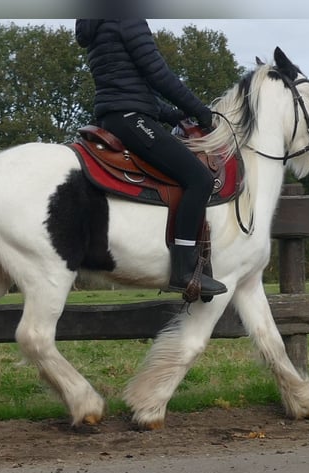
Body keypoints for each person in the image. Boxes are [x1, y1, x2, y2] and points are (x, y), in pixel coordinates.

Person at [75, 19, 227, 300]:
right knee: (199, 179)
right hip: (133, 118)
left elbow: (131, 85)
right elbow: (159, 75)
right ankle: (183, 269)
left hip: (118, 115)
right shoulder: (127, 17)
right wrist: (201, 112)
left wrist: (176, 115)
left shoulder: (97, 22)